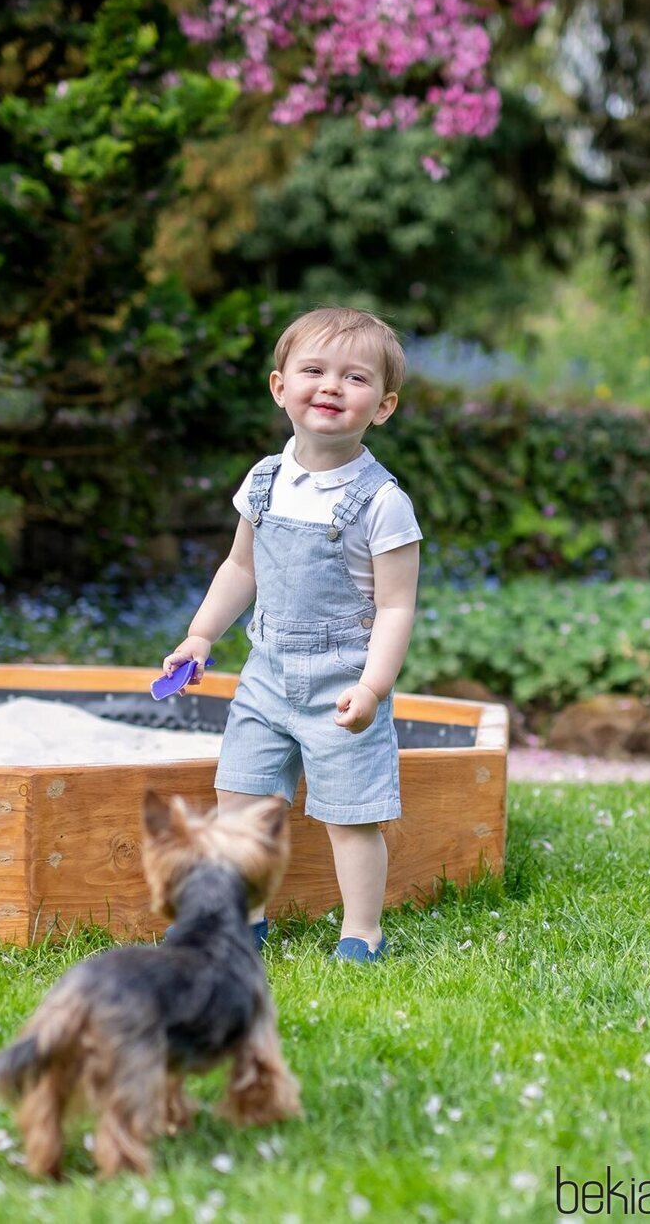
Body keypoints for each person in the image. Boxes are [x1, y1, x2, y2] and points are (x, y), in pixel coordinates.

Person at [162, 306, 421, 962]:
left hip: (342, 688)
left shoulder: (383, 502)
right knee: (239, 801)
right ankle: (241, 920)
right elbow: (240, 566)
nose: (331, 386)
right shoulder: (265, 480)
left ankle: (361, 932)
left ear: (383, 406)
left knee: (349, 814)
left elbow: (395, 607)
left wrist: (373, 686)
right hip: (267, 677)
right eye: (314, 370)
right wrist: (200, 635)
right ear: (281, 387)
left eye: (354, 377)